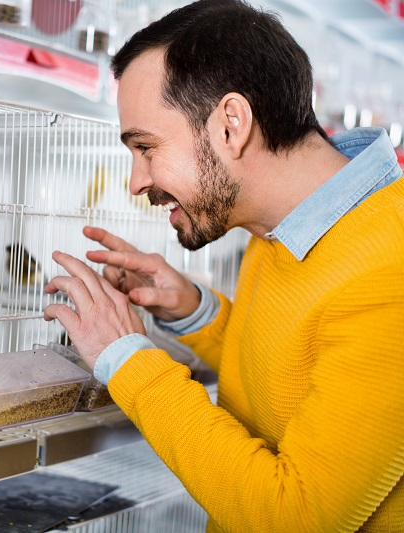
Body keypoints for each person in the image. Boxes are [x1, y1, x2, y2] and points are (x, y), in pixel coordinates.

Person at [42, 0, 404, 531]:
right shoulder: (287, 217)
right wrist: (196, 310)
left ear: (231, 124)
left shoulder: (389, 267)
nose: (136, 181)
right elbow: (299, 375)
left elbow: (294, 518)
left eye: (146, 147)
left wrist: (128, 360)